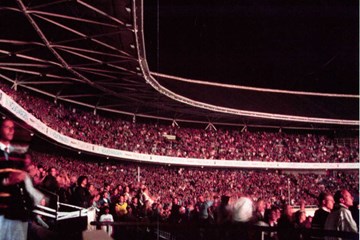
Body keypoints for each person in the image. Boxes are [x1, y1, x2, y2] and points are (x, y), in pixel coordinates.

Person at [0, 118, 43, 240]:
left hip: (17, 212)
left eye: (13, 127)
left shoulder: (17, 156)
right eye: (7, 127)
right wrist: (7, 181)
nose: (11, 130)